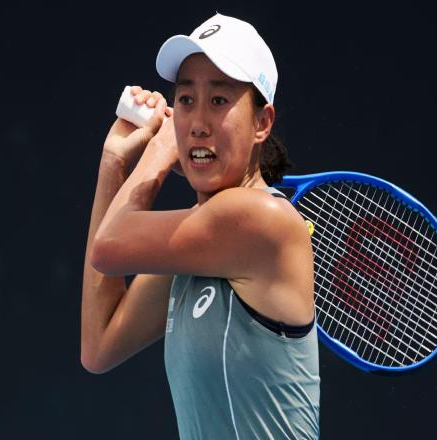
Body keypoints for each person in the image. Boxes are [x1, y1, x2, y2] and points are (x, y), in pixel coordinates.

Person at [81, 12, 320, 439]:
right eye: (186, 100)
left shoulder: (260, 219)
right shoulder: (199, 247)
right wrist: (114, 162)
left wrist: (158, 151)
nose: (197, 123)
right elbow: (99, 346)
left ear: (262, 122)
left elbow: (108, 245)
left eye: (219, 100)